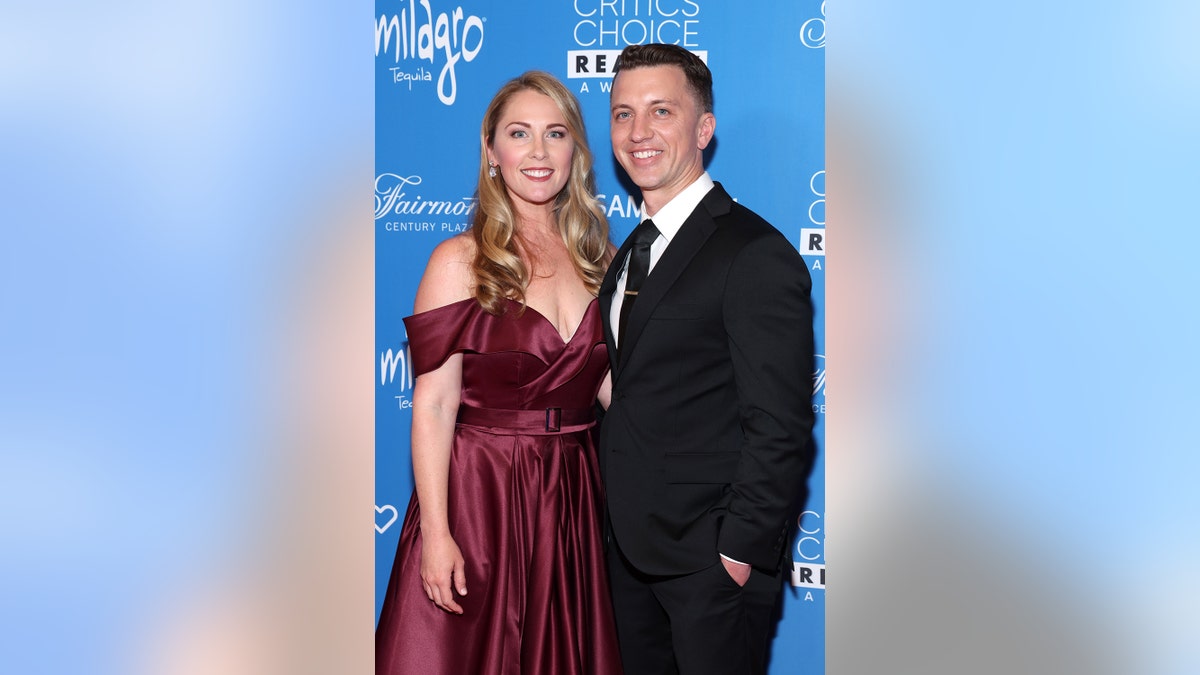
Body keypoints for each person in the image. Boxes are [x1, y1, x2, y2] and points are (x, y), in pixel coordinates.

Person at [375, 71, 623, 675]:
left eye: (556, 134)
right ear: (492, 153)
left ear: (576, 154)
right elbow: (434, 406)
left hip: (572, 499)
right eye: (520, 134)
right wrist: (437, 533)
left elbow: (618, 396)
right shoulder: (459, 262)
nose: (538, 152)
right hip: (480, 498)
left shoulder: (603, 262)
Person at [597, 44, 815, 675]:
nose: (638, 133)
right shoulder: (631, 251)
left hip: (709, 564)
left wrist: (737, 551)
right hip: (630, 555)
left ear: (703, 127)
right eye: (622, 114)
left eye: (661, 111)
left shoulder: (753, 253)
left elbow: (780, 422)